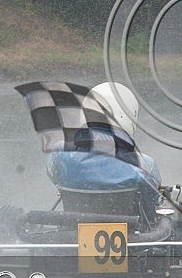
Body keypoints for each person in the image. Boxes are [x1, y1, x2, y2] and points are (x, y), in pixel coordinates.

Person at [46, 82, 162, 222]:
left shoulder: (61, 154)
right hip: (132, 236)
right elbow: (152, 201)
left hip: (73, 232)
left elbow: (55, 177)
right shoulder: (144, 164)